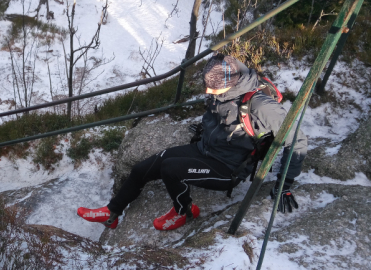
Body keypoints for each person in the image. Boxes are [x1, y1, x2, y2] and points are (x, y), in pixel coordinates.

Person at [77, 54, 307, 231]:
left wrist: (284, 185)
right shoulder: (222, 91)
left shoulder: (262, 106)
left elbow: (297, 141)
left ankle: (184, 211)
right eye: (208, 86)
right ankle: (111, 213)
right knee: (143, 167)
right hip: (205, 150)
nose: (209, 91)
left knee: (171, 169)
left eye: (214, 88)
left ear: (234, 82)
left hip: (227, 168)